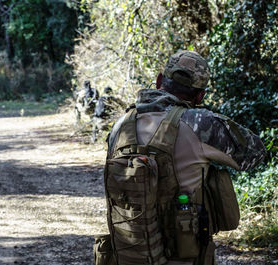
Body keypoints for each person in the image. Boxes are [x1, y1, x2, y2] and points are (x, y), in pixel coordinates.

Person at [103, 50, 266, 265]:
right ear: (200, 96)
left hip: (130, 253)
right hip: (184, 255)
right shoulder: (200, 123)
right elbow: (256, 154)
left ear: (159, 80)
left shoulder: (121, 124)